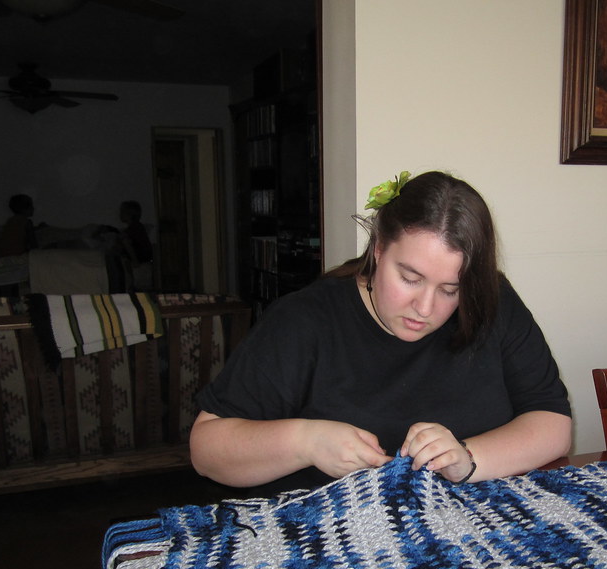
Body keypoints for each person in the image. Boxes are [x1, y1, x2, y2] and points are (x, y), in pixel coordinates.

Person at [190, 170, 572, 494]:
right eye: (410, 278)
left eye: (450, 290)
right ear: (378, 249)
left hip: (470, 531)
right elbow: (207, 448)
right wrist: (305, 441)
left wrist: (469, 460)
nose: (425, 308)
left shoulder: (493, 300)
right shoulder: (304, 320)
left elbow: (553, 423)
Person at [107, 200, 154, 291]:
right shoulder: (135, 227)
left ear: (129, 214)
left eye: (122, 212)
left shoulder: (135, 228)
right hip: (140, 258)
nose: (120, 214)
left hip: (141, 259)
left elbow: (127, 243)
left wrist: (135, 260)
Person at [0, 193, 38, 258]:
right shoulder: (27, 222)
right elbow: (33, 243)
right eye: (31, 206)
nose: (33, 208)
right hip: (16, 255)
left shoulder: (10, 221)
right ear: (24, 209)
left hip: (0, 255)